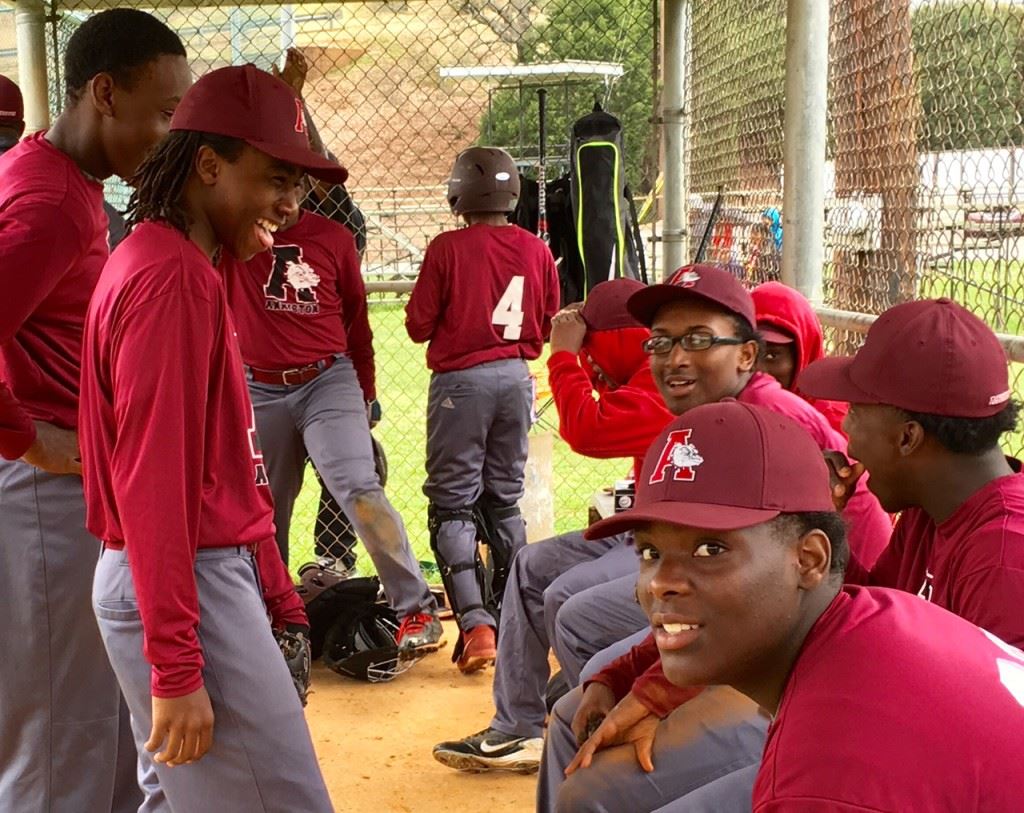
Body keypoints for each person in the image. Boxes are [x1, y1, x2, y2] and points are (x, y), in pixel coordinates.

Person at [536, 264, 892, 810]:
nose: (675, 358)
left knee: (597, 786)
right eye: (662, 341)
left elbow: (760, 604)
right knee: (579, 703)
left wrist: (654, 692)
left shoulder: (771, 424)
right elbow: (702, 582)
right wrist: (623, 674)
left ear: (746, 356)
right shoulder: (715, 420)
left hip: (820, 659)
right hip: (764, 631)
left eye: (699, 340)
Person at [79, 64, 338, 812]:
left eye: (299, 185)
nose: (291, 205)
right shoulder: (172, 281)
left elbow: (224, 461)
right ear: (209, 165)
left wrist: (276, 586)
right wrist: (176, 665)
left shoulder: (185, 262)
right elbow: (153, 484)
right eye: (276, 178)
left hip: (177, 575)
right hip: (185, 580)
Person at [574, 399, 1024, 812]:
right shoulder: (876, 620)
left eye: (711, 550)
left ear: (809, 560)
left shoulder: (828, 768)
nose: (661, 583)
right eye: (651, 552)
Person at [0, 12, 190, 811]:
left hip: (66, 488)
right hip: (44, 496)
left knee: (97, 711)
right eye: (163, 111)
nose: (171, 132)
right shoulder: (55, 203)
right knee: (61, 726)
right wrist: (26, 437)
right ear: (105, 94)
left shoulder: (54, 178)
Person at [432, 278, 671, 772]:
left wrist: (563, 357)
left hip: (667, 541)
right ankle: (517, 729)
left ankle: (598, 733)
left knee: (566, 596)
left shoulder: (666, 378)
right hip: (641, 525)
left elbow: (589, 428)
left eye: (593, 350)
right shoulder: (643, 372)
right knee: (531, 563)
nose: (592, 366)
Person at [222, 170, 443, 661]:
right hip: (258, 384)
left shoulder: (331, 238)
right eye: (272, 185)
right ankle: (269, 619)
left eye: (293, 187)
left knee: (360, 490)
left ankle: (416, 608)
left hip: (327, 379)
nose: (284, 198)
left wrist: (365, 391)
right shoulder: (233, 237)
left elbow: (356, 321)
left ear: (305, 189)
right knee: (265, 508)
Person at [405, 145, 560, 673]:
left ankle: (475, 625)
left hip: (461, 384)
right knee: (504, 502)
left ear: (458, 194)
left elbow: (417, 325)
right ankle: (516, 617)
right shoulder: (536, 250)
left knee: (452, 503)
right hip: (517, 380)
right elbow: (546, 317)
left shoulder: (447, 248)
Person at [799, 297, 1024, 647]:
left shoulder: (1004, 558)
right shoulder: (931, 507)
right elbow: (874, 623)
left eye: (855, 413)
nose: (846, 432)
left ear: (907, 437)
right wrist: (822, 520)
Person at [750, 280, 848, 435]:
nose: (756, 370)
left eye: (771, 355)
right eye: (747, 354)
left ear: (804, 356)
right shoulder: (719, 403)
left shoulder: (835, 423)